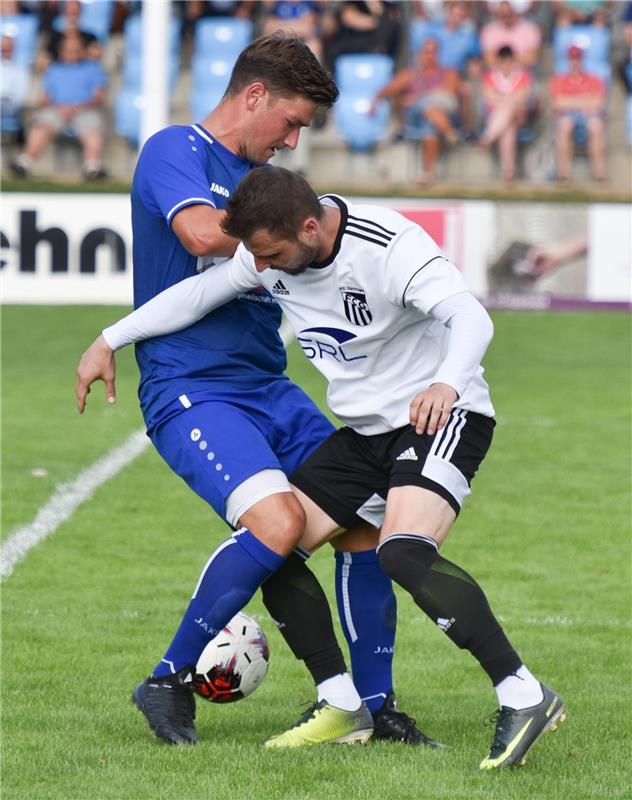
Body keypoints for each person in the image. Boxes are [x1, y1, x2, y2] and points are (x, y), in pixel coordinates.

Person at [86, 165, 566, 766]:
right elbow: (200, 293)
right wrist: (111, 338)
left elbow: (471, 317)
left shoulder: (388, 244)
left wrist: (446, 382)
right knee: (273, 546)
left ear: (310, 228)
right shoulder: (268, 254)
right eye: (254, 256)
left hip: (440, 418)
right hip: (363, 435)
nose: (260, 267)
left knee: (402, 551)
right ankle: (341, 703)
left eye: (271, 254)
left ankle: (523, 693)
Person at [75, 33, 434, 750]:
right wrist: (285, 229)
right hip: (191, 389)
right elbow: (205, 235)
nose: (293, 140)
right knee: (275, 525)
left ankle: (369, 705)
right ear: (254, 96)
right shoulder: (174, 150)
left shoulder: (271, 186)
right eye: (290, 122)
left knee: (363, 519)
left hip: (268, 387)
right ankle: (169, 678)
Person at [9, 32, 107, 179]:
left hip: (84, 109)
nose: (71, 54)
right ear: (61, 51)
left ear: (82, 50)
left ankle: (92, 167)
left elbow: (99, 98)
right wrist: (60, 108)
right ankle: (24, 163)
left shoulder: (93, 69)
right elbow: (45, 99)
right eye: (68, 50)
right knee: (41, 127)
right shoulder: (53, 70)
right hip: (57, 110)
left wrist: (76, 107)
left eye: (75, 50)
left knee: (92, 129)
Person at [371, 36, 461, 185]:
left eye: (433, 52)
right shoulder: (410, 75)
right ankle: (450, 133)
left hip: (436, 115)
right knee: (426, 106)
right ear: (419, 54)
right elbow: (386, 91)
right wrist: (375, 103)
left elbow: (448, 94)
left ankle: (427, 174)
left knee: (429, 124)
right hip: (415, 120)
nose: (430, 56)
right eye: (426, 52)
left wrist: (417, 97)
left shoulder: (448, 73)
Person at [549, 44, 607, 182]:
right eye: (572, 59)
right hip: (568, 117)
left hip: (588, 117)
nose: (575, 62)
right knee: (565, 124)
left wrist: (570, 101)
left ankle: (599, 173)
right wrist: (585, 100)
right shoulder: (559, 80)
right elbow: (557, 103)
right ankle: (564, 173)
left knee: (596, 125)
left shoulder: (594, 79)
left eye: (577, 58)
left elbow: (599, 102)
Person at [479, 44, 534, 183]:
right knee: (508, 130)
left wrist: (503, 99)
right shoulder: (490, 77)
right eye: (503, 61)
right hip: (501, 117)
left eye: (509, 61)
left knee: (509, 110)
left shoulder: (523, 76)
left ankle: (488, 137)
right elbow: (489, 97)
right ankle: (509, 172)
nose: (506, 64)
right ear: (498, 61)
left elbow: (523, 97)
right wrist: (509, 99)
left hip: (518, 115)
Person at [480, 0, 541, 70]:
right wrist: (515, 59)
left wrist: (506, 59)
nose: (506, 16)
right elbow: (489, 60)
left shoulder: (531, 29)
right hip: (497, 76)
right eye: (503, 14)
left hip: (523, 76)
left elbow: (532, 58)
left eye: (509, 13)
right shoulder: (489, 30)